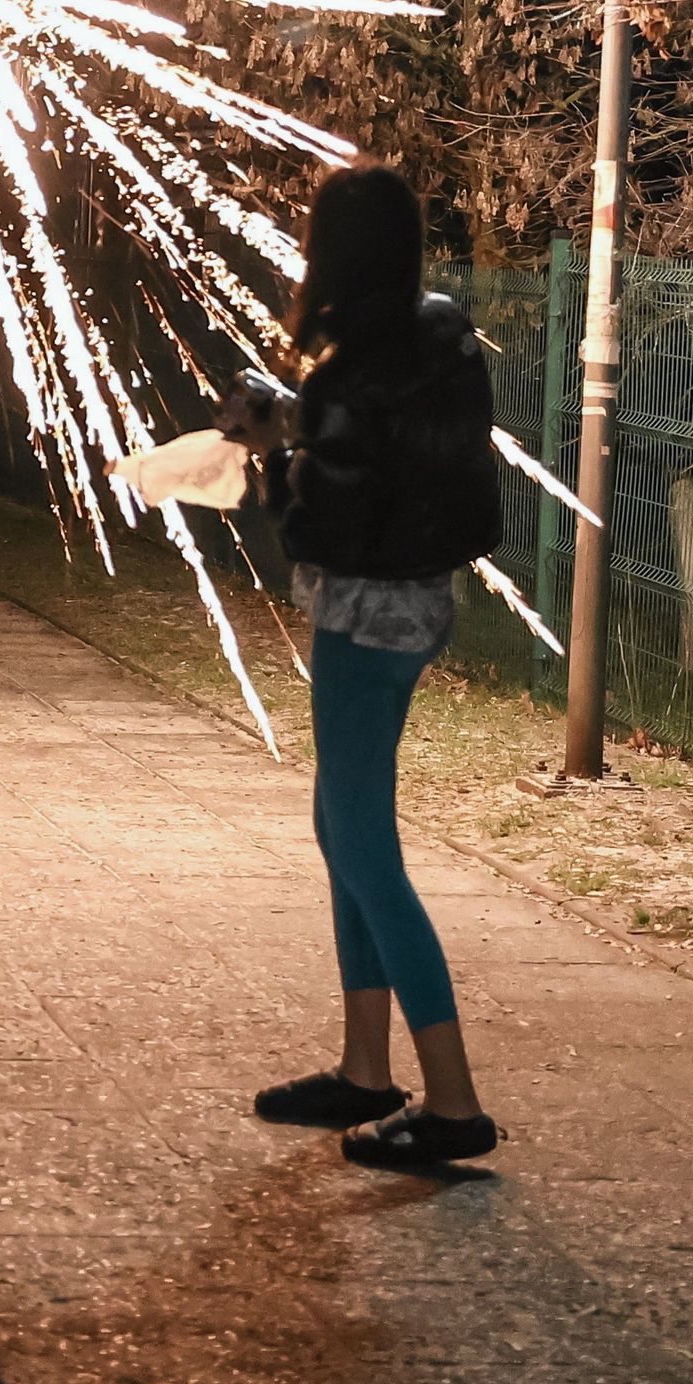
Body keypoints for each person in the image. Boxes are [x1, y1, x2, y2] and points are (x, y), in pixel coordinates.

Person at [225, 163, 508, 1171]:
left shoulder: (355, 364)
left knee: (364, 849)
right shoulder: (437, 337)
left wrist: (269, 453)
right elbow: (393, 454)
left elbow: (327, 513)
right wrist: (303, 420)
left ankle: (453, 1101)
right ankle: (363, 1070)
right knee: (341, 827)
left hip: (365, 614)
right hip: (422, 601)